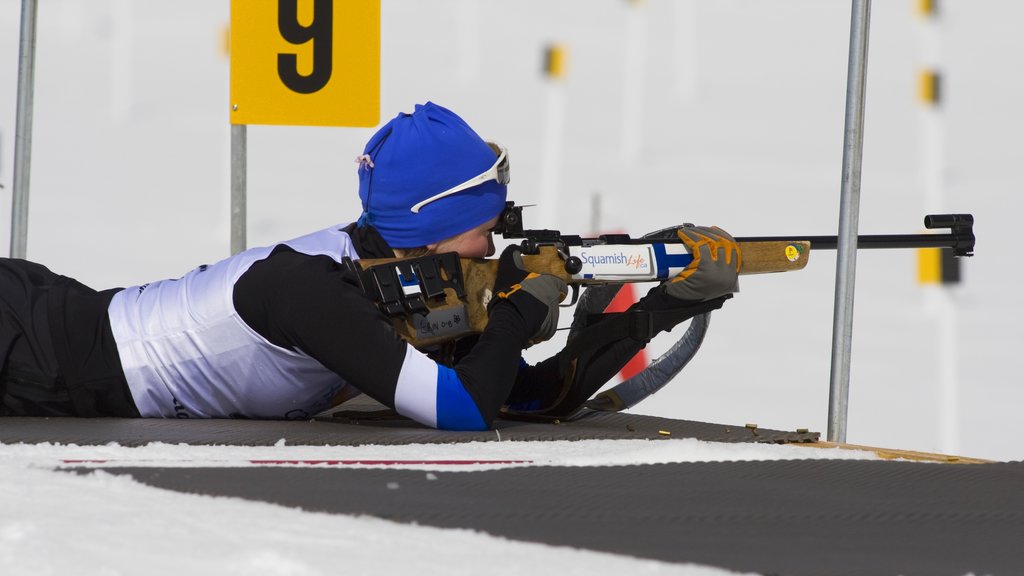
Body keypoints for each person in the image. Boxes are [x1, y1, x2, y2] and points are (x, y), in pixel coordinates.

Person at [0, 102, 740, 430]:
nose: (493, 251)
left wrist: (666, 305)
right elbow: (463, 409)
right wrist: (519, 310)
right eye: (486, 231)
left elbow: (529, 398)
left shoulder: (401, 288)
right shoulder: (310, 291)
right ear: (438, 229)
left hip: (52, 325)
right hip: (37, 348)